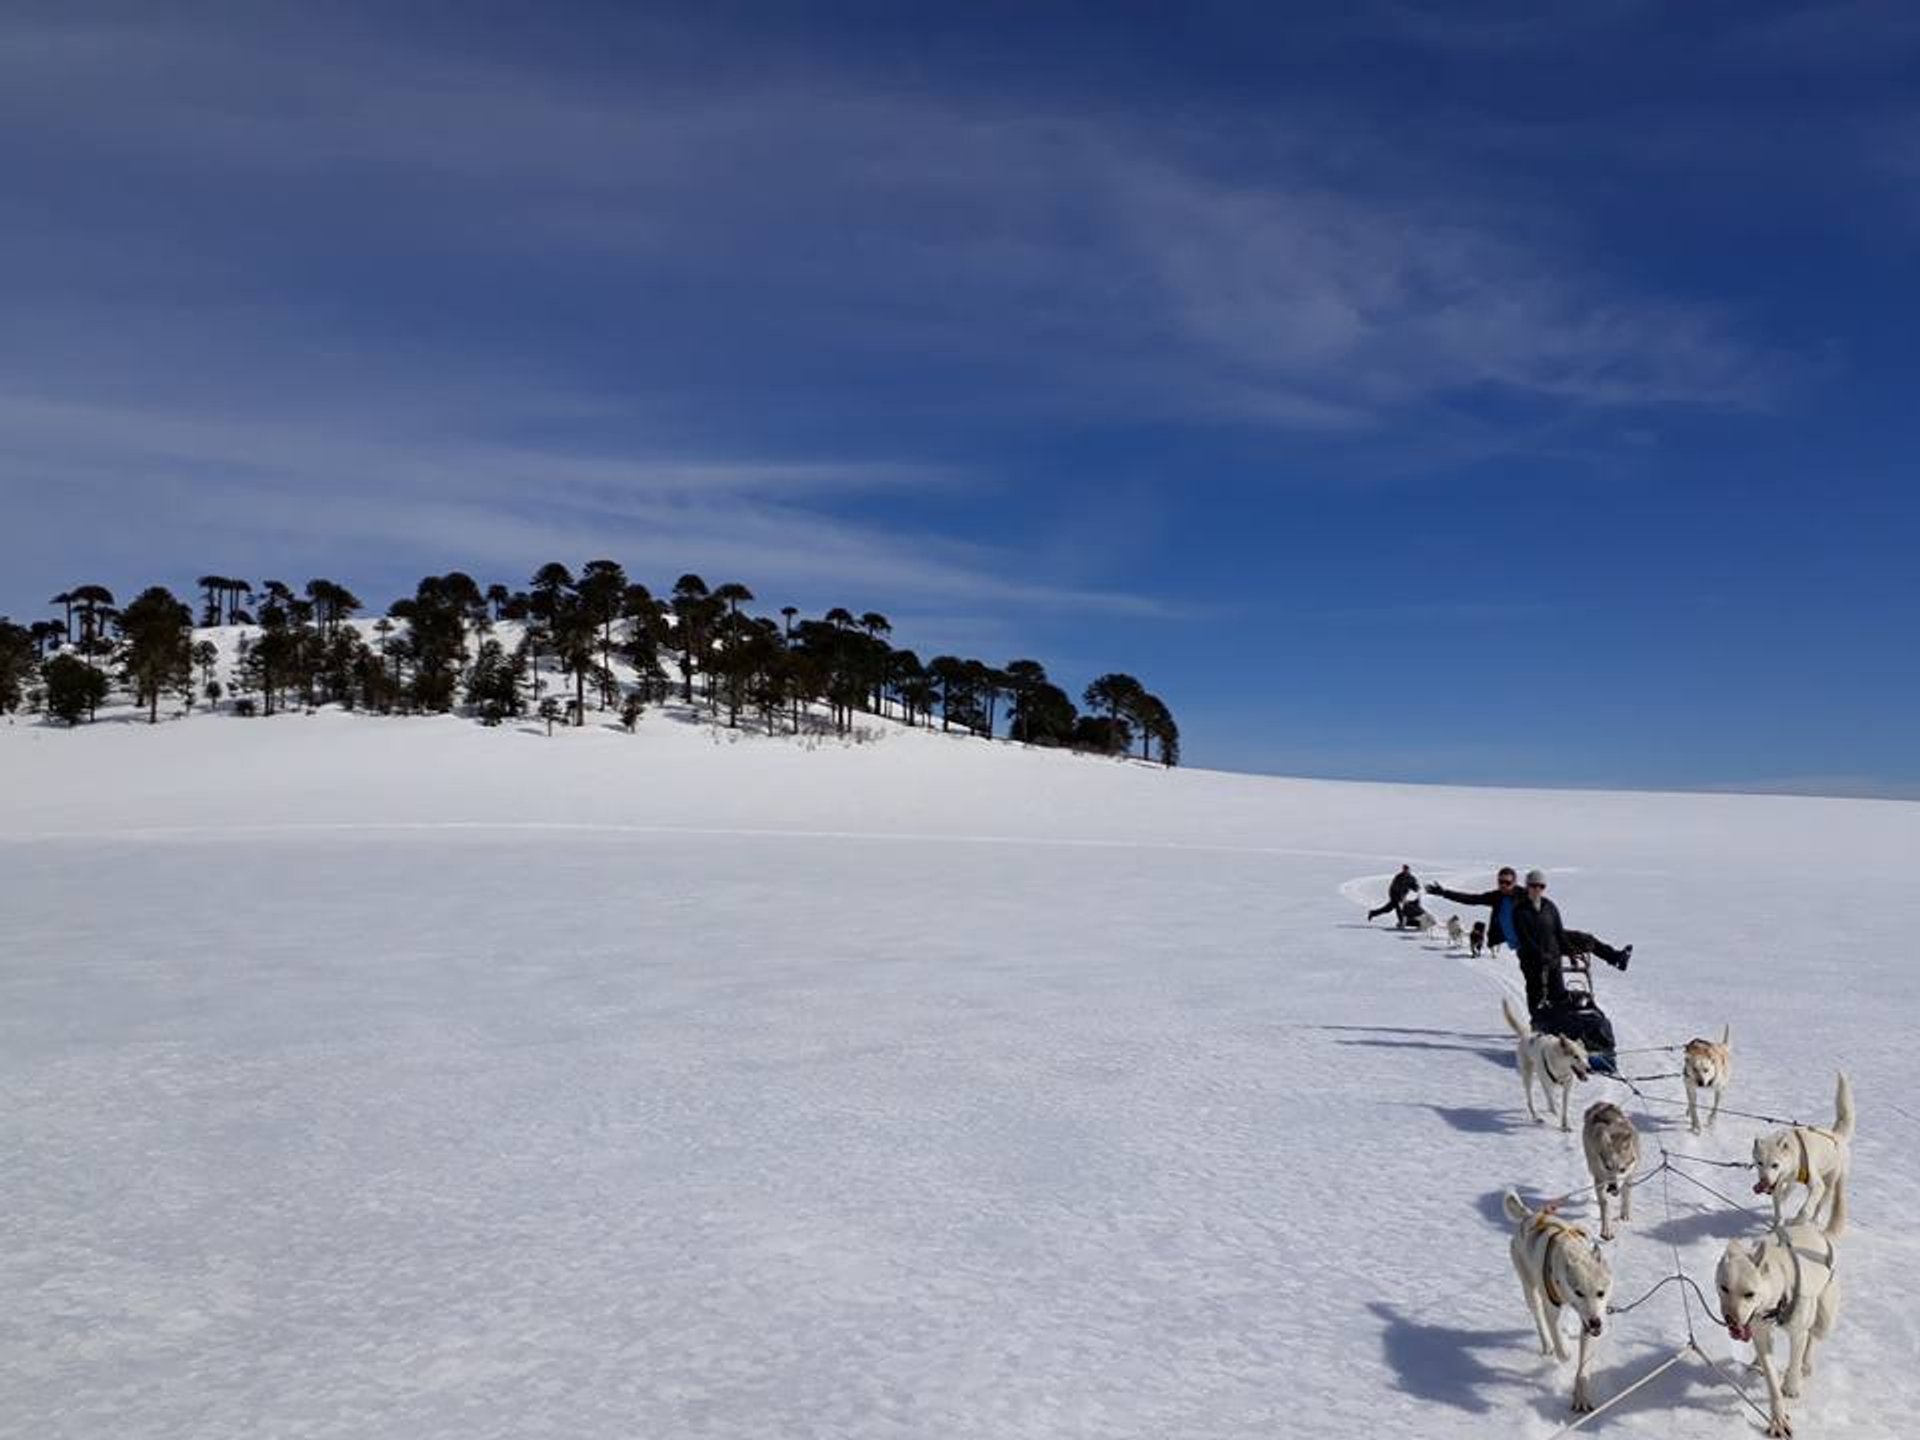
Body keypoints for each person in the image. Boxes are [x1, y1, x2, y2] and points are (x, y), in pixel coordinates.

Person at [1509, 869, 1571, 1020]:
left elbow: (1558, 931)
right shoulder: (1520, 910)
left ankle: (1558, 1024)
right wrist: (1540, 955)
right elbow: (1524, 938)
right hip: (1531, 961)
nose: (1537, 889)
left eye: (1541, 886)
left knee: (1558, 993)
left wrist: (1569, 951)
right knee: (1536, 993)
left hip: (1553, 959)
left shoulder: (1550, 907)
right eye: (1533, 886)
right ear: (1527, 887)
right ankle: (1537, 1024)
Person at [1426, 867, 1520, 956]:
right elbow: (1471, 899)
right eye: (1501, 882)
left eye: (1507, 882)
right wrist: (1444, 893)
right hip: (1503, 941)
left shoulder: (1524, 897)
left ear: (1514, 882)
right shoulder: (1496, 896)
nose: (1503, 885)